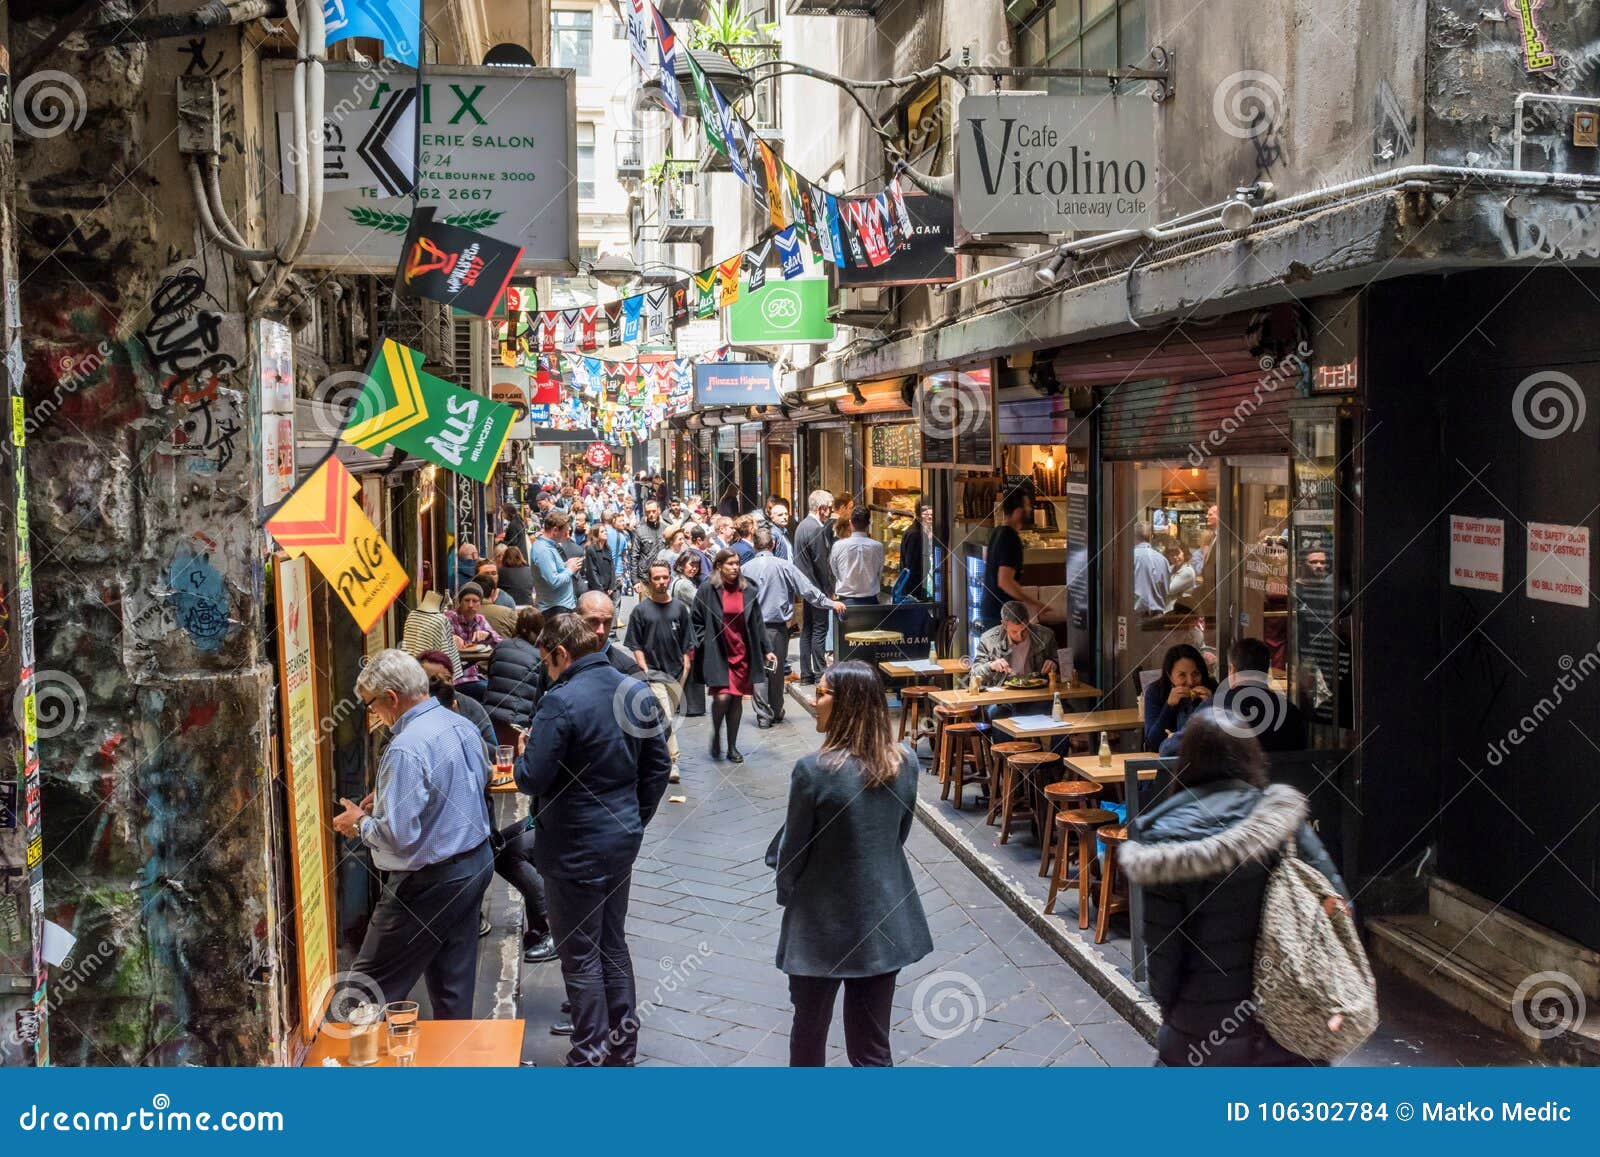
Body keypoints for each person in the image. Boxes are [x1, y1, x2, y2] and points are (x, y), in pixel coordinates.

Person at [1122, 712, 1348, 1066]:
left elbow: (1164, 961)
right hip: (1289, 1030)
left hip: (1203, 1039)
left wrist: (1181, 1018)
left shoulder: (1164, 842)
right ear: (1251, 756)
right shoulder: (1283, 821)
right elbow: (1337, 910)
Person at [513, 613, 672, 1066]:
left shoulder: (559, 702)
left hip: (572, 846)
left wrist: (525, 754)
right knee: (612, 944)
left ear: (562, 654)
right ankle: (621, 1050)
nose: (546, 670)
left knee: (580, 954)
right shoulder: (635, 689)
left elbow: (532, 778)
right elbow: (657, 767)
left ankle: (588, 1056)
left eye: (547, 661)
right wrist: (633, 819)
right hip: (619, 838)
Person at [772, 660, 932, 1066]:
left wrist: (787, 891)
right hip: (883, 918)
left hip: (818, 925)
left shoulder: (812, 772)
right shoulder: (905, 763)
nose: (814, 700)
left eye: (823, 692)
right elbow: (898, 835)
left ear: (848, 705)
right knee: (871, 1048)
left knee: (808, 1036)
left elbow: (793, 852)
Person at [333, 650, 494, 1019]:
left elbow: (397, 835)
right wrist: (392, 799)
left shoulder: (406, 746)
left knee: (367, 985)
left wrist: (358, 822)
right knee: (452, 980)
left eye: (372, 706)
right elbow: (476, 782)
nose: (375, 715)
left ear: (391, 698)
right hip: (474, 863)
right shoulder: (459, 724)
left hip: (428, 882)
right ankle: (453, 1062)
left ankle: (344, 1066)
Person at [743, 528, 845, 729]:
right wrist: (830, 603)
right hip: (777, 629)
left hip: (752, 628)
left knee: (759, 670)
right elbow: (808, 590)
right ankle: (776, 710)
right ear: (773, 545)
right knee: (776, 669)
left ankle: (764, 715)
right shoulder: (784, 566)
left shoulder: (745, 568)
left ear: (755, 546)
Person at [693, 550, 774, 764]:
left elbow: (757, 622)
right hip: (718, 651)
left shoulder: (747, 589)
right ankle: (716, 735)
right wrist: (704, 641)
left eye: (737, 563)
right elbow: (696, 620)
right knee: (722, 697)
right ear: (719, 566)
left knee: (736, 698)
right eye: (730, 563)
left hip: (741, 652)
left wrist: (767, 648)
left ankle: (732, 746)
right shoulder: (707, 589)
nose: (735, 567)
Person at [1162, 636, 1305, 755]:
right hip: (1278, 787)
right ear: (1266, 670)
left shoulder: (1212, 709)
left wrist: (1171, 740)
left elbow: (1168, 751)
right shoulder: (1292, 713)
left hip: (1224, 788)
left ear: (1232, 669)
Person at [625, 561, 698, 784]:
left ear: (669, 577)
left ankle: (651, 757)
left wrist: (686, 665)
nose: (661, 582)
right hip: (654, 673)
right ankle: (672, 762)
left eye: (664, 577)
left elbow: (688, 639)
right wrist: (644, 669)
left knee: (666, 719)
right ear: (650, 580)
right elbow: (635, 644)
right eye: (656, 578)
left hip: (677, 672)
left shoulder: (679, 609)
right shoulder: (640, 611)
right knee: (665, 717)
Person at [980, 489, 1045, 630]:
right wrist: (1033, 603)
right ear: (1017, 511)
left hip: (990, 609)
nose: (1030, 509)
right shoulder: (1010, 538)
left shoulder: (997, 532)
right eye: (1027, 505)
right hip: (1000, 614)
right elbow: (1005, 581)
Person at [484, 606, 545, 739]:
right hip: (518, 723)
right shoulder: (540, 657)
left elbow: (490, 675)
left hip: (490, 718)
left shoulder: (500, 646)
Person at [416, 649, 496, 751]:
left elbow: (493, 750)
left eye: (448, 679)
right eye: (434, 680)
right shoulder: (412, 709)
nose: (444, 684)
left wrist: (459, 729)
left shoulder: (470, 706)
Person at [1142, 643, 1217, 752]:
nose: (1190, 682)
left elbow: (1226, 739)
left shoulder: (1212, 687)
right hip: (1168, 764)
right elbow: (1153, 743)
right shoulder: (1155, 692)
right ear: (1170, 676)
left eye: (1195, 674)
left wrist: (1212, 704)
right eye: (1182, 675)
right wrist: (1169, 706)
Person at [793, 490, 835, 683]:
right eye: (830, 507)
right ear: (821, 508)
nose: (831, 511)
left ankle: (806, 673)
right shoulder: (815, 529)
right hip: (815, 587)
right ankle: (819, 673)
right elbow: (821, 563)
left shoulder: (803, 525)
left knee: (808, 630)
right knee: (819, 629)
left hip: (806, 586)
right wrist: (828, 591)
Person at [971, 600, 1059, 687]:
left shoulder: (1045, 636)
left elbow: (1060, 660)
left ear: (1028, 621)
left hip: (1037, 690)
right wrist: (991, 666)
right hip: (1003, 692)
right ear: (1004, 625)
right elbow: (974, 674)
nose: (1020, 637)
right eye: (1014, 632)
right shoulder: (988, 640)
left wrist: (1054, 662)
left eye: (1024, 630)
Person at [446, 583, 501, 701]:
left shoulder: (480, 619)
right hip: (455, 679)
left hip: (474, 676)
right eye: (467, 600)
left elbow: (500, 644)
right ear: (459, 602)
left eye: (475, 601)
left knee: (498, 689)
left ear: (480, 604)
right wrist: (450, 638)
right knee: (492, 693)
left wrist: (488, 635)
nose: (471, 605)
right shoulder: (448, 617)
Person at [401, 590, 463, 682]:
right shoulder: (441, 620)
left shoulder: (411, 615)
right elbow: (446, 652)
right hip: (435, 676)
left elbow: (406, 647)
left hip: (412, 673)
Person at [829, 505, 885, 606]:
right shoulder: (878, 547)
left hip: (845, 601)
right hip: (871, 601)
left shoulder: (838, 545)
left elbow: (835, 571)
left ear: (850, 523)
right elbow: (879, 572)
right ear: (868, 524)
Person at [529, 510, 582, 613]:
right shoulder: (543, 550)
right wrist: (570, 570)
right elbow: (553, 581)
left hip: (559, 606)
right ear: (555, 530)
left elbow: (552, 571)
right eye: (565, 531)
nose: (567, 535)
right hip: (555, 609)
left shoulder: (549, 546)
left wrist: (565, 565)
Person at [896, 502, 934, 601]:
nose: (930, 517)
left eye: (931, 513)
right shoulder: (916, 535)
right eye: (926, 514)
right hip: (915, 591)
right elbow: (912, 567)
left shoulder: (919, 531)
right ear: (918, 515)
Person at [1133, 522, 1171, 617]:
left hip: (1136, 616)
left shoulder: (1128, 558)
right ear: (1151, 537)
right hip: (1158, 616)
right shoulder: (1163, 560)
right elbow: (1166, 590)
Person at [633, 501, 666, 590]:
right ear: (645, 513)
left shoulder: (666, 529)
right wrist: (635, 580)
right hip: (645, 579)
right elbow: (634, 556)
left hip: (663, 579)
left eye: (653, 511)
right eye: (648, 512)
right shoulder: (640, 531)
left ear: (659, 511)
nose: (651, 514)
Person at [582, 524, 616, 597]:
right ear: (596, 534)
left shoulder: (608, 548)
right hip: (597, 589)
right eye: (602, 531)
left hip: (608, 589)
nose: (605, 533)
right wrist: (600, 589)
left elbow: (612, 567)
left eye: (605, 531)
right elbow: (592, 572)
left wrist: (612, 586)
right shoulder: (591, 549)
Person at [606, 512, 633, 598]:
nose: (623, 523)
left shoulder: (625, 533)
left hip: (619, 569)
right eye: (620, 521)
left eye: (623, 521)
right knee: (616, 601)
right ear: (613, 522)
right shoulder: (622, 535)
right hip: (618, 569)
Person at [1165, 544, 1198, 613]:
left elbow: (1168, 590)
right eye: (1171, 555)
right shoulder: (1172, 568)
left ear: (1185, 553)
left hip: (1178, 611)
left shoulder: (1187, 571)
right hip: (1168, 608)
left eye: (1177, 553)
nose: (1175, 557)